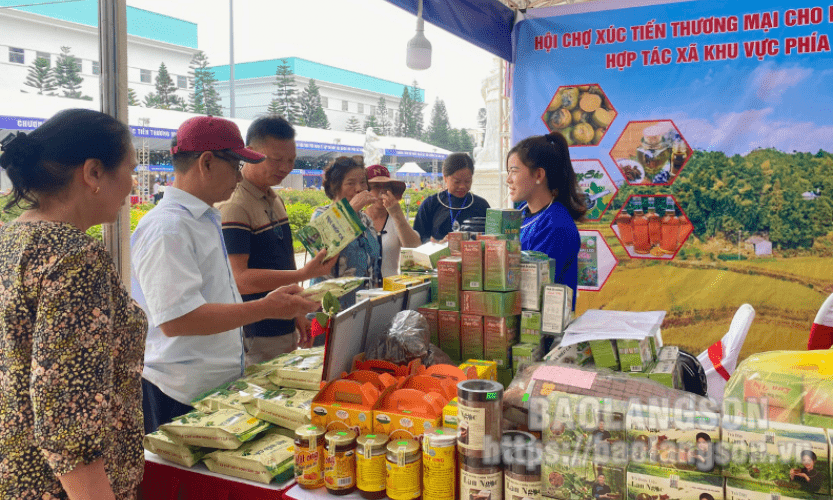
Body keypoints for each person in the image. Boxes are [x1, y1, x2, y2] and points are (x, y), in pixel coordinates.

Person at [132, 116, 319, 433]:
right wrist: (266, 307)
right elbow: (179, 319)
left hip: (214, 386)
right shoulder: (168, 228)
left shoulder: (203, 218)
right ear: (206, 162)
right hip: (179, 392)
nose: (238, 175)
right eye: (234, 165)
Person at [0, 109, 146, 499]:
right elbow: (68, 418)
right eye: (129, 170)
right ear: (94, 172)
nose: (132, 185)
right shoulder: (75, 259)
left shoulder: (11, 241)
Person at [218, 116, 336, 365]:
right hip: (254, 334)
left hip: (282, 328)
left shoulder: (274, 199)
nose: (285, 167)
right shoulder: (235, 204)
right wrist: (302, 274)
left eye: (291, 160)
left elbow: (281, 261)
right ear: (250, 153)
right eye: (276, 159)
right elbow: (239, 279)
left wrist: (295, 314)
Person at [506, 132, 586, 307]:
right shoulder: (521, 214)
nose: (508, 180)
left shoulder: (556, 225)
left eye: (514, 171)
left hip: (543, 330)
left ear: (538, 175)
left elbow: (533, 287)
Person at [310, 156, 381, 306]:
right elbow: (321, 251)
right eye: (350, 183)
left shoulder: (365, 220)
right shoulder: (321, 216)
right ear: (336, 187)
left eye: (363, 182)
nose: (359, 189)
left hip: (360, 307)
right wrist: (350, 210)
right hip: (325, 311)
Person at [413, 152, 490, 243]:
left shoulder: (481, 205)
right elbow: (417, 238)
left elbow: (492, 238)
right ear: (445, 177)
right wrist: (435, 244)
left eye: (467, 181)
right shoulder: (430, 204)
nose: (462, 186)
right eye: (457, 182)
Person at [364, 164, 422, 278]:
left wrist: (397, 214)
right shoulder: (357, 219)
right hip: (360, 292)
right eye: (376, 186)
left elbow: (415, 250)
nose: (382, 192)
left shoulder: (395, 220)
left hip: (391, 291)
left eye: (386, 187)